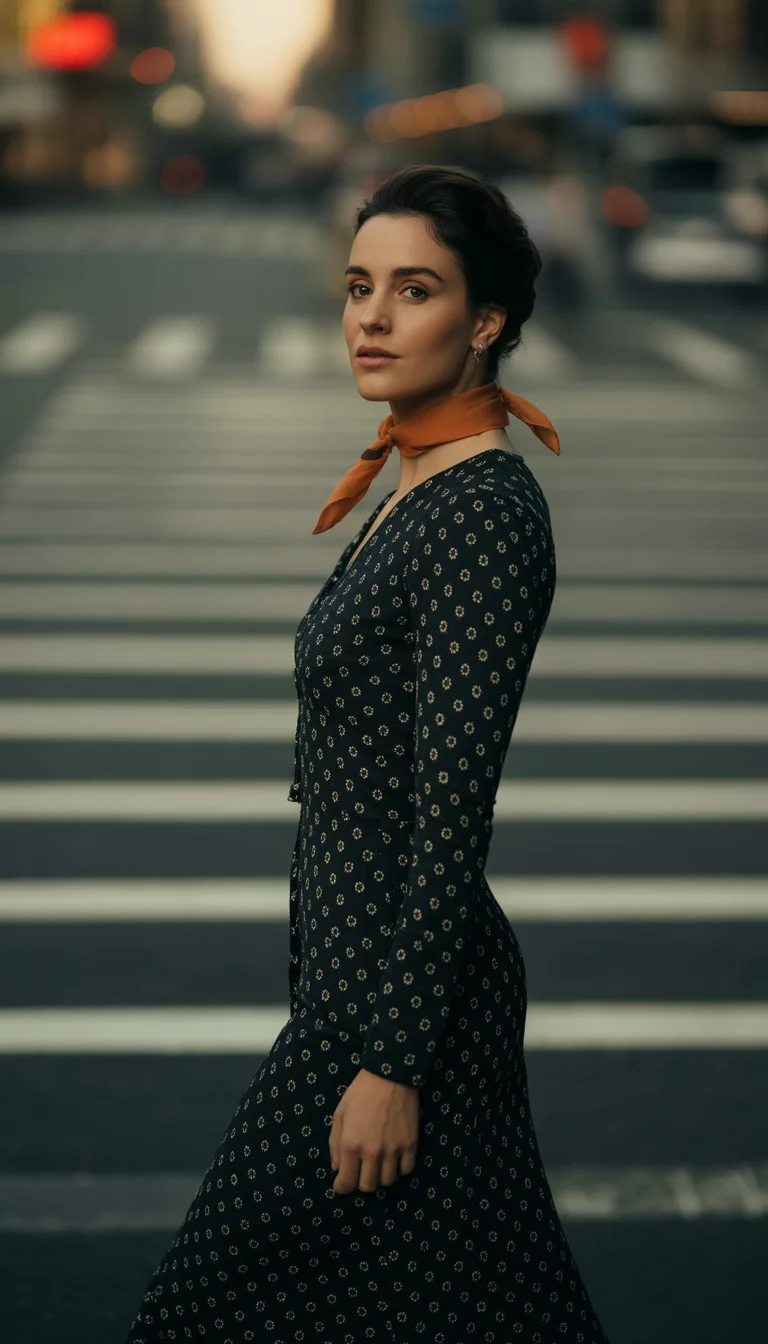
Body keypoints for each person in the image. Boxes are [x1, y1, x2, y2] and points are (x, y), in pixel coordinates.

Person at [124, 163, 611, 1343]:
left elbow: (451, 818)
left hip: (395, 1009)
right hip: (358, 975)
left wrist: (391, 1064)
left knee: (197, 1310)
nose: (372, 319)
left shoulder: (483, 514)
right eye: (358, 287)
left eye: (415, 290)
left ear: (485, 321)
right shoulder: (416, 482)